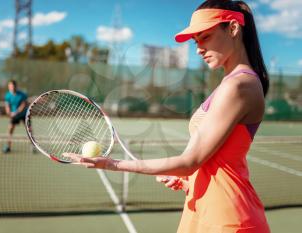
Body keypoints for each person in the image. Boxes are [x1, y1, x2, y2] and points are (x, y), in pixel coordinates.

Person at [66, 0, 270, 232]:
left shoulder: (239, 85)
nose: (198, 49)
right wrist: (187, 180)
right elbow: (213, 161)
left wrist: (112, 164)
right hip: (203, 209)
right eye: (195, 41)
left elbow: (189, 162)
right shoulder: (232, 83)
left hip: (227, 220)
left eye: (205, 37)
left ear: (233, 28)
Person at [3, 80, 28, 153]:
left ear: (16, 86)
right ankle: (8, 146)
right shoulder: (7, 95)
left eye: (13, 86)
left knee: (29, 130)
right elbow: (7, 106)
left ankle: (33, 146)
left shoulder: (22, 94)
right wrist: (8, 113)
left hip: (23, 114)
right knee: (10, 129)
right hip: (14, 115)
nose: (11, 87)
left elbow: (23, 105)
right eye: (10, 86)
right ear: (8, 87)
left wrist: (16, 112)